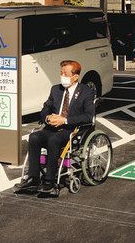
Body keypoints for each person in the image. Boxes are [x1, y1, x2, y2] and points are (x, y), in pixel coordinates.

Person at [14, 60, 95, 194]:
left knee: (54, 140)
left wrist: (65, 120)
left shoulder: (86, 92)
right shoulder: (56, 89)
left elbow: (88, 116)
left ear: (75, 77)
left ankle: (50, 180)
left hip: (71, 130)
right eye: (61, 73)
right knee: (34, 137)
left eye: (65, 74)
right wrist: (47, 117)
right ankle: (33, 178)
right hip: (52, 127)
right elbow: (45, 108)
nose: (62, 76)